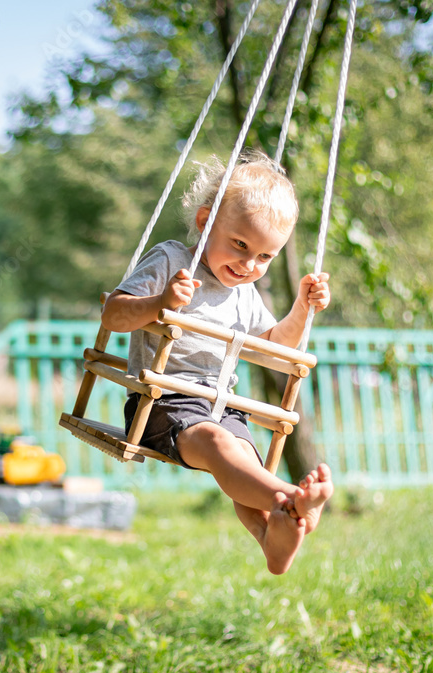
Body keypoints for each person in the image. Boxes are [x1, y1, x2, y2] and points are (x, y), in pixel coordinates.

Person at [100, 150, 333, 575]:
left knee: (242, 459)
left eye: (264, 257)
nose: (248, 266)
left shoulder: (244, 293)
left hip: (220, 401)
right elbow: (114, 314)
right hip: (163, 399)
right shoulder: (172, 261)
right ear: (207, 221)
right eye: (240, 245)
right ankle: (288, 499)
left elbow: (272, 350)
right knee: (221, 447)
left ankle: (273, 537)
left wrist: (302, 307)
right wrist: (161, 302)